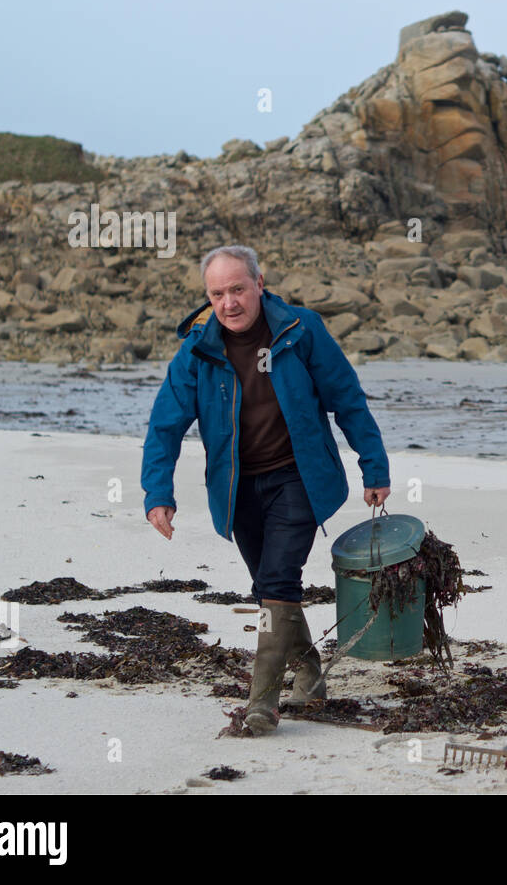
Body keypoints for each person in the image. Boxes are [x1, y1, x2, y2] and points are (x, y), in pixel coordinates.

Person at [141, 244, 391, 735]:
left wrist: (374, 467)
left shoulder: (301, 331)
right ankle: (312, 676)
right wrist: (158, 494)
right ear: (208, 297)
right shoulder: (196, 349)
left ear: (259, 283)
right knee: (268, 589)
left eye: (237, 289)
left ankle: (262, 703)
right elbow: (164, 426)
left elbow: (348, 400)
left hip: (299, 477)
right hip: (237, 489)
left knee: (278, 583)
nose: (229, 303)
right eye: (217, 294)